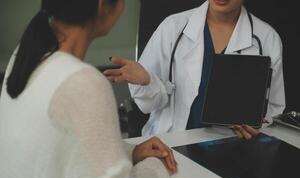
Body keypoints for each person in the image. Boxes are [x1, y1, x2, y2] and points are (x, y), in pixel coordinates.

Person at [0, 0, 184, 178]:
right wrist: (156, 167)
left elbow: (52, 148)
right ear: (103, 5)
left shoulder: (26, 55)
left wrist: (130, 153)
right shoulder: (83, 82)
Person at [104, 0, 285, 139]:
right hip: (171, 144)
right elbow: (149, 105)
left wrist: (257, 123)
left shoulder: (267, 38)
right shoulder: (173, 27)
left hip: (234, 148)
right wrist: (148, 81)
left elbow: (274, 109)